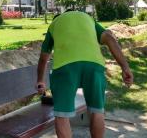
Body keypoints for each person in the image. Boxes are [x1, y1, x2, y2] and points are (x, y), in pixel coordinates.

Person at [36, 10, 133, 138]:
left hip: (65, 67)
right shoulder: (88, 18)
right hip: (94, 65)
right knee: (97, 110)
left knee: (62, 115)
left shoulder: (55, 23)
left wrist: (40, 81)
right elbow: (109, 38)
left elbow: (44, 58)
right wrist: (125, 67)